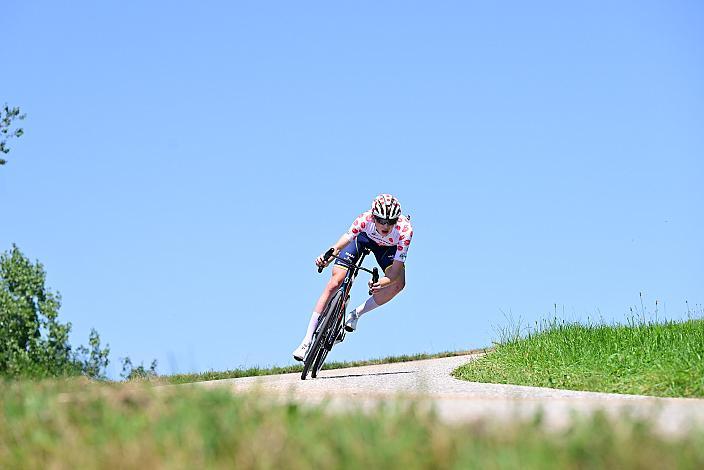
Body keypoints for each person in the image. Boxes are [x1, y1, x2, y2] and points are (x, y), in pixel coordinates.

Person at [293, 194, 414, 361]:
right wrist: (326, 258)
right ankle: (306, 340)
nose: (385, 226)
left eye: (391, 222)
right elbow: (340, 244)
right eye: (381, 221)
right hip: (363, 240)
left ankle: (355, 314)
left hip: (388, 249)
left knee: (398, 284)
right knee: (335, 282)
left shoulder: (405, 231)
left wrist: (382, 283)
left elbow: (394, 272)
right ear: (373, 217)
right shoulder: (364, 220)